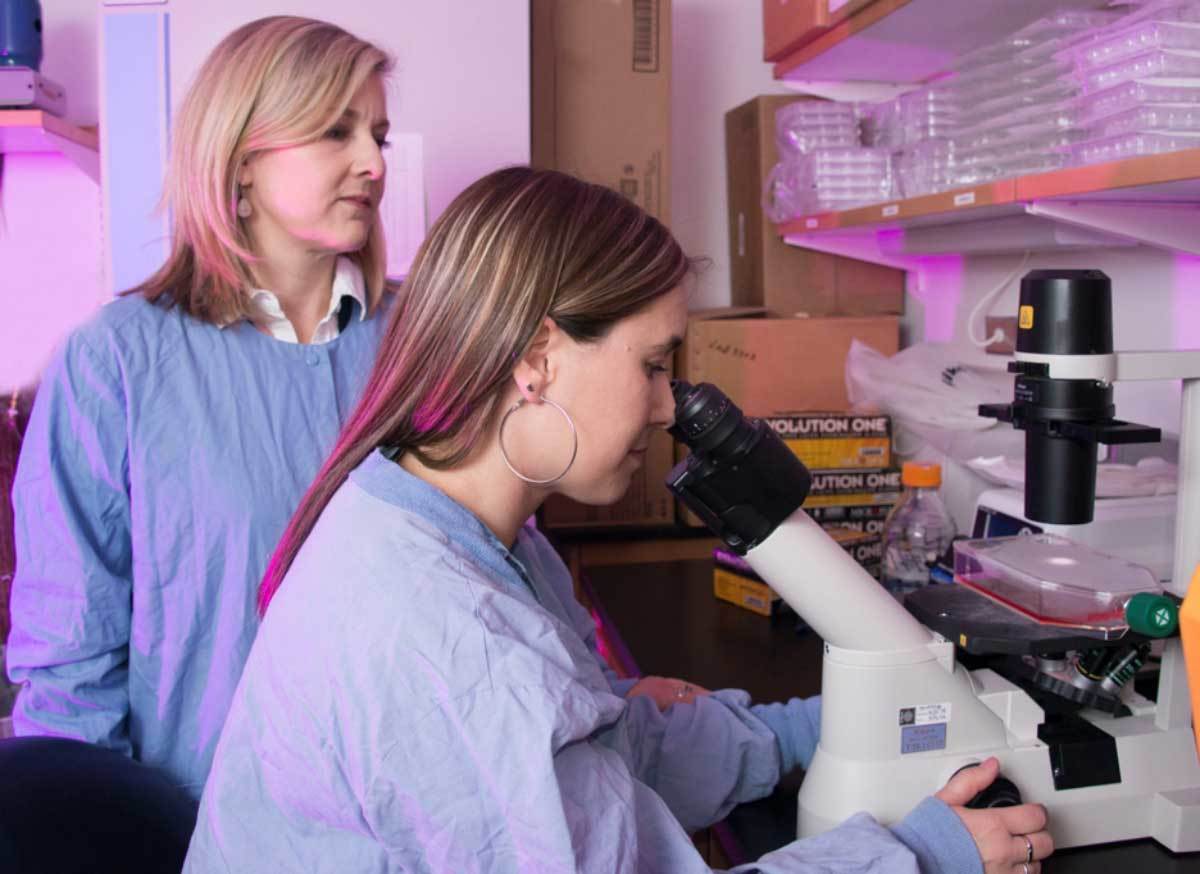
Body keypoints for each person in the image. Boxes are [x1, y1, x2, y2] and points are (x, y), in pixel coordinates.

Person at [184, 166, 1053, 873]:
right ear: (535, 362)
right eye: (652, 363)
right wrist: (921, 858)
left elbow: (604, 752)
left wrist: (819, 726)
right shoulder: (447, 638)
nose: (671, 404)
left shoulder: (459, 524)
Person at [6, 16, 395, 797]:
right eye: (334, 131)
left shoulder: (425, 341)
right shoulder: (114, 363)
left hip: (412, 820)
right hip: (203, 826)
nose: (372, 163)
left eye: (378, 135)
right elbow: (69, 661)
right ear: (240, 160)